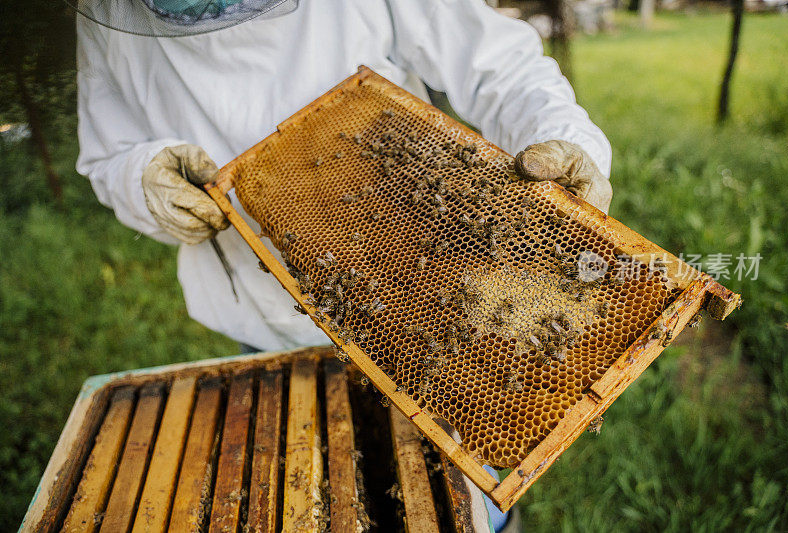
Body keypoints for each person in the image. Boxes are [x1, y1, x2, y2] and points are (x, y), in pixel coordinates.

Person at [75, 1, 611, 530]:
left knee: (461, 502)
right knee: (299, 494)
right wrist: (140, 179)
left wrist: (565, 138)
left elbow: (499, 64)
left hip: (423, 308)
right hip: (267, 318)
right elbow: (107, 150)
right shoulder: (105, 15)